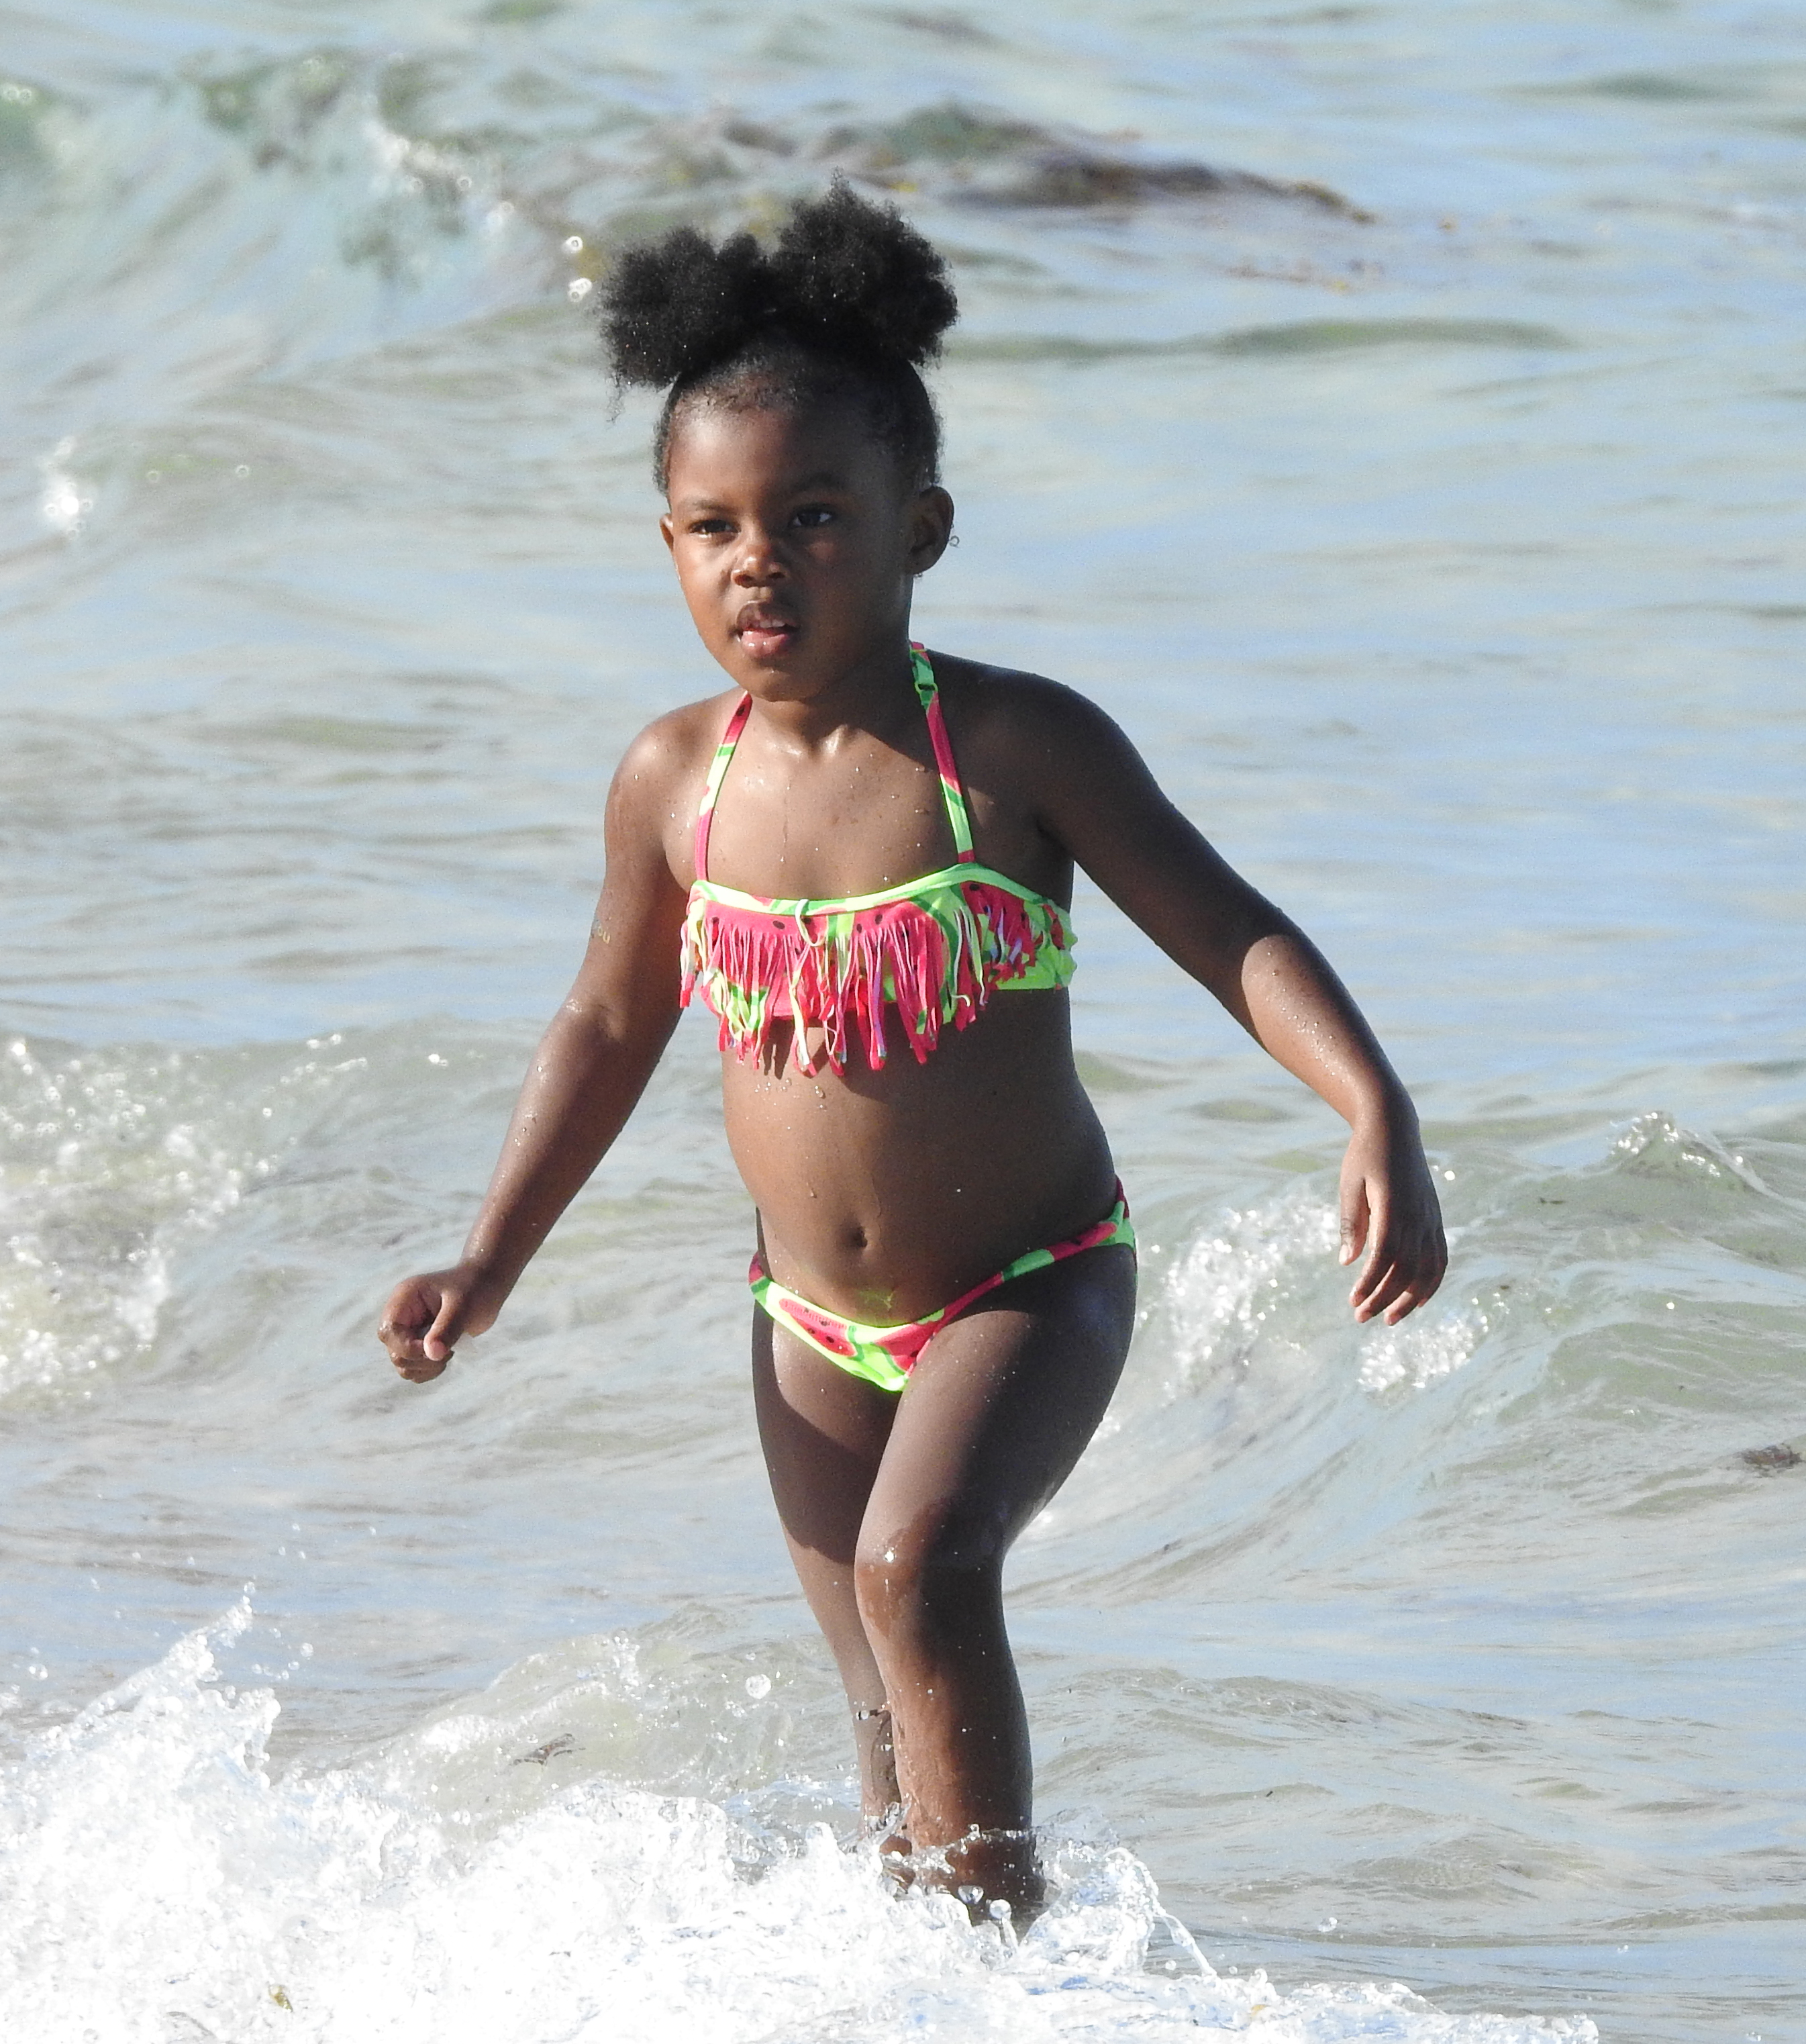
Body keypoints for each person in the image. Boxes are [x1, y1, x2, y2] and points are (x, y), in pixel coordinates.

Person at [377, 182, 1446, 1921]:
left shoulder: (1012, 747)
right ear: (665, 547)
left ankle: (1004, 1987)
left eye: (811, 515)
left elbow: (1228, 932)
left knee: (920, 1574)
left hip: (1027, 1281)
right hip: (803, 1322)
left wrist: (1372, 1109)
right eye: (711, 525)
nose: (756, 559)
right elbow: (603, 1021)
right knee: (879, 1698)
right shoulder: (673, 782)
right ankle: (911, 1990)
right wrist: (489, 1255)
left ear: (916, 524)